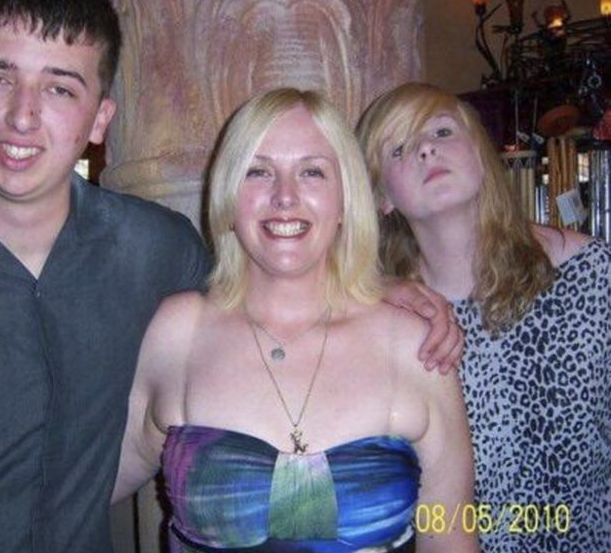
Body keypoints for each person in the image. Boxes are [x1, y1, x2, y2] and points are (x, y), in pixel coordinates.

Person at [0, 4, 459, 553]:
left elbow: (269, 281)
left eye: (59, 87)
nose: (23, 115)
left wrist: (375, 287)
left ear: (101, 116)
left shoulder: (158, 250)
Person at [113, 88, 478, 553]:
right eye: (258, 171)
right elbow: (83, 486)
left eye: (312, 171)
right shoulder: (179, 332)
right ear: (227, 197)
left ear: (345, 200)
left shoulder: (413, 345)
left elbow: (452, 535)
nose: (284, 197)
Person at [356, 82, 611, 553]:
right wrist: (372, 290)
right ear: (381, 196)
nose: (426, 148)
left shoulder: (592, 273)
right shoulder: (386, 322)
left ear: (480, 153)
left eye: (442, 131)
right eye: (399, 148)